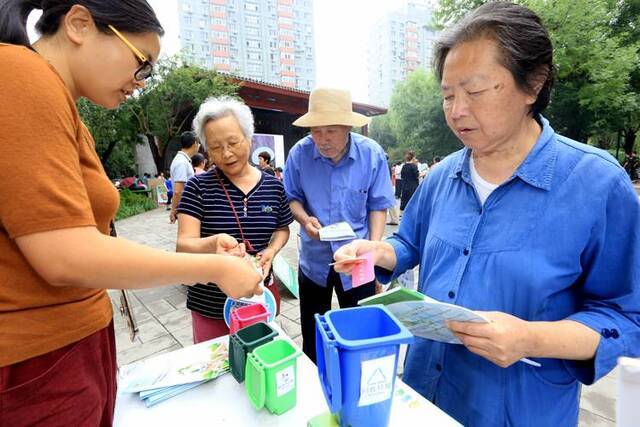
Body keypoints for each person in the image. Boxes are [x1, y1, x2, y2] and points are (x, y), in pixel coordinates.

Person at [334, 3, 640, 426]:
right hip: (424, 396)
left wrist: (531, 338)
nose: (456, 111)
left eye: (474, 91)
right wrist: (380, 253)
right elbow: (410, 242)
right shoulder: (441, 177)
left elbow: (625, 318)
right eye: (447, 95)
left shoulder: (597, 184)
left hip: (521, 409)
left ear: (533, 83)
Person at [0, 2, 263, 425]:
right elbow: (65, 254)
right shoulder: (20, 75)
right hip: (35, 360)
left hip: (61, 350)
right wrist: (213, 268)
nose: (141, 83)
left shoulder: (57, 97)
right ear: (80, 24)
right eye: (142, 64)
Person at [283, 87, 395, 362]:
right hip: (314, 259)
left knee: (361, 331)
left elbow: (378, 206)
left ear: (347, 126)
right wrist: (303, 218)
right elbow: (292, 198)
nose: (322, 139)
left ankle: (354, 384)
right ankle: (316, 385)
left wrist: (373, 249)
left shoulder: (371, 155)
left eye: (331, 130)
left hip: (357, 258)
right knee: (312, 333)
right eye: (316, 131)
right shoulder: (299, 154)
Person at [177, 96, 293, 342]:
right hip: (211, 304)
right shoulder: (197, 187)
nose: (227, 154)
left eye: (233, 142)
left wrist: (272, 250)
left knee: (261, 366)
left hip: (260, 297)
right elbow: (183, 245)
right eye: (216, 147)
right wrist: (213, 242)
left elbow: (283, 228)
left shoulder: (273, 186)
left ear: (249, 139)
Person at [169, 130, 200, 223]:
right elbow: (178, 191)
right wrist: (173, 211)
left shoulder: (183, 160)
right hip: (187, 208)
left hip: (188, 207)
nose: (199, 146)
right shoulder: (181, 162)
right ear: (194, 143)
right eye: (199, 143)